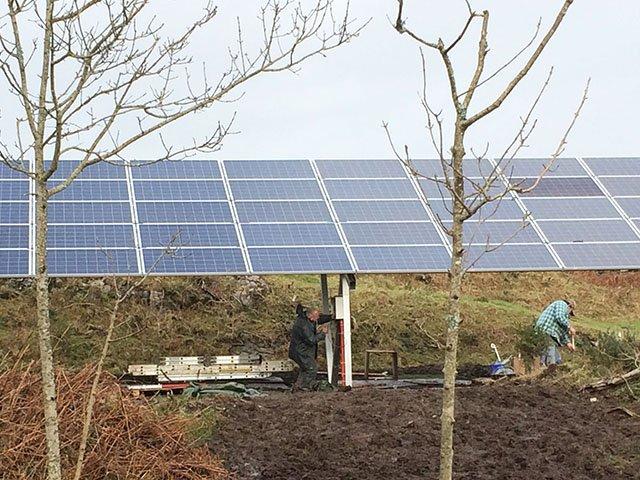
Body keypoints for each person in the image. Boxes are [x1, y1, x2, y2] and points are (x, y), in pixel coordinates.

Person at [288, 304, 332, 391]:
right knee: (311, 369)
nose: (317, 318)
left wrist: (331, 317)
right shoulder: (304, 325)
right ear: (310, 316)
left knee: (305, 369)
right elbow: (311, 340)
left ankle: (298, 387)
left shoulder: (306, 319)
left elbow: (319, 319)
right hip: (302, 352)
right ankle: (304, 387)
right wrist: (322, 333)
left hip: (298, 351)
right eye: (316, 316)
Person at [535, 299, 577, 366]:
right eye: (570, 313)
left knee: (558, 360)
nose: (569, 315)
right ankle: (546, 369)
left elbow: (562, 330)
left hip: (551, 335)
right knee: (551, 358)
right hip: (546, 330)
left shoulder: (564, 316)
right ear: (570, 306)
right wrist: (570, 327)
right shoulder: (561, 304)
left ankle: (546, 366)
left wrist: (568, 343)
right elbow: (559, 317)